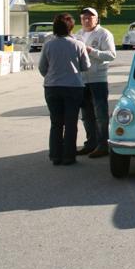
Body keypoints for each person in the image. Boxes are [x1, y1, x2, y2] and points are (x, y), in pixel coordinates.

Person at [38, 14, 90, 166]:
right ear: (71, 28)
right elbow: (86, 66)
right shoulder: (77, 44)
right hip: (73, 87)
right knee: (70, 122)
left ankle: (55, 155)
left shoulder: (48, 45)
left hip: (52, 87)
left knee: (56, 122)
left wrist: (51, 76)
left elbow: (42, 68)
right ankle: (68, 156)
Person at [76, 7, 117, 158]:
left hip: (98, 79)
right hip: (82, 79)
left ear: (97, 19)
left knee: (100, 114)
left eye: (90, 17)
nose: (87, 20)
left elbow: (112, 55)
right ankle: (91, 143)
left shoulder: (104, 34)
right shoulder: (78, 34)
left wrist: (91, 51)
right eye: (84, 17)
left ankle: (103, 144)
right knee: (86, 114)